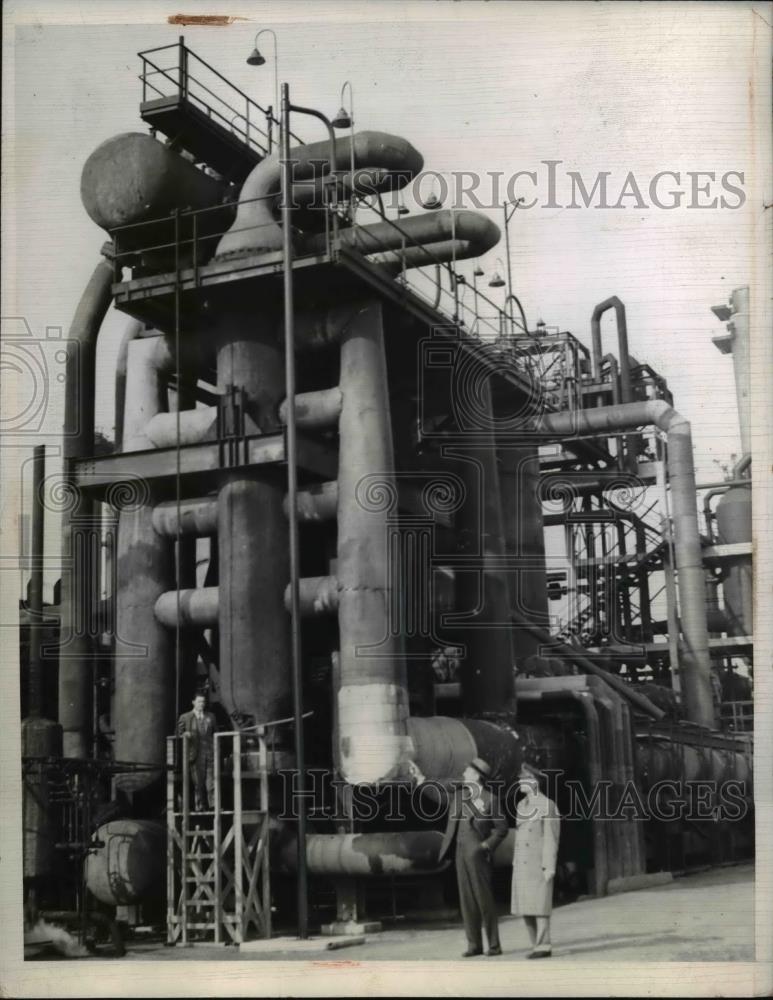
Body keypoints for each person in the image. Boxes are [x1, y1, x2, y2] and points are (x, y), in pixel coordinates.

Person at [409, 756, 507, 957]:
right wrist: (421, 779)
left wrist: (485, 846)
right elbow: (438, 794)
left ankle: (494, 946)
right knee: (467, 900)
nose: (463, 774)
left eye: (467, 772)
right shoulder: (460, 795)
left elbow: (501, 829)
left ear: (476, 776)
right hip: (460, 850)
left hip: (478, 852)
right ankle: (474, 945)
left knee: (484, 900)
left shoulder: (490, 799)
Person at [511, 762, 561, 959]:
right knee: (526, 906)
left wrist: (549, 866)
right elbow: (519, 836)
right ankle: (535, 945)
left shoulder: (547, 805)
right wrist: (515, 861)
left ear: (534, 782)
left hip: (537, 863)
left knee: (540, 906)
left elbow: (551, 837)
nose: (520, 783)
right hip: (522, 863)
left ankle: (543, 945)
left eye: (524, 780)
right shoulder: (521, 805)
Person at [176, 693, 218, 812]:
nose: (202, 704)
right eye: (199, 702)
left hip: (210, 753)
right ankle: (200, 806)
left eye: (203, 702)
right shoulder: (185, 717)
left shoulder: (211, 717)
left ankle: (213, 806)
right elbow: (179, 731)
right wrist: (184, 734)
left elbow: (216, 733)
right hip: (195, 753)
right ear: (193, 702)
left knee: (211, 781)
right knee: (198, 782)